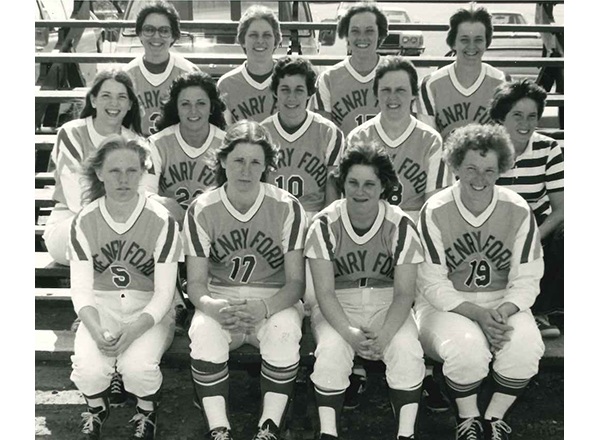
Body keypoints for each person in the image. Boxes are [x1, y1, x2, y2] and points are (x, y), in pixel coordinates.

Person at [415, 124, 545, 440]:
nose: (479, 178)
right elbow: (432, 283)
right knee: (467, 350)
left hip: (502, 302)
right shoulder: (435, 209)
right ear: (456, 165)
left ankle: (493, 417)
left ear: (501, 169)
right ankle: (469, 416)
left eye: (489, 170)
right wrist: (479, 316)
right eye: (471, 168)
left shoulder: (517, 208)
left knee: (526, 348)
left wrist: (501, 312)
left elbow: (527, 278)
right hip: (447, 304)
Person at [183, 121, 308, 440]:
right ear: (222, 161)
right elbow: (196, 284)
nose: (246, 170)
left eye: (255, 162)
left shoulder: (287, 206)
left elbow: (296, 283)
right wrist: (213, 307)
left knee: (283, 332)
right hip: (221, 298)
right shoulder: (202, 208)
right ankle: (218, 427)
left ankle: (269, 425)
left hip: (274, 298)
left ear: (267, 166)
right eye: (238, 160)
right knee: (204, 333)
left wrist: (264, 308)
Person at [304, 142, 426, 440]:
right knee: (332, 349)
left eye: (370, 184)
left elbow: (404, 294)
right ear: (342, 183)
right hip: (338, 303)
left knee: (406, 349)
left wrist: (383, 336)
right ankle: (328, 433)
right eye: (353, 183)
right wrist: (349, 333)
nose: (360, 192)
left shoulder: (401, 225)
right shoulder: (323, 224)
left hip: (388, 302)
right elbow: (324, 293)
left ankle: (406, 434)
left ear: (384, 186)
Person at [68, 135, 182, 440]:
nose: (123, 179)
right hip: (101, 307)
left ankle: (147, 411)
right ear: (100, 173)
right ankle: (97, 408)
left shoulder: (162, 221)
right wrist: (95, 330)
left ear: (143, 173)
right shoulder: (84, 221)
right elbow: (80, 290)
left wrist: (131, 332)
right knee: (88, 369)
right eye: (114, 171)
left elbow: (163, 295)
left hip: (148, 311)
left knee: (138, 368)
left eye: (132, 171)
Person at [146, 70, 227, 335]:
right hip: (174, 224)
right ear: (175, 108)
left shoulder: (226, 143)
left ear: (212, 107)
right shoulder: (157, 143)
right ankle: (176, 302)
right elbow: (145, 193)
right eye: (185, 104)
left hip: (215, 226)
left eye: (201, 103)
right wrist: (173, 208)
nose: (194, 110)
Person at [44, 68, 144, 267]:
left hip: (125, 224)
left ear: (130, 104)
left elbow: (142, 192)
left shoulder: (137, 143)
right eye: (106, 95)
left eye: (121, 97)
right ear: (93, 100)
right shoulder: (72, 133)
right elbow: (76, 194)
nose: (114, 103)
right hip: (71, 220)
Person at [490, 78, 564, 338]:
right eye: (517, 115)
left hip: (535, 224)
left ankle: (543, 311)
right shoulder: (485, 147)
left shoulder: (548, 147)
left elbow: (561, 209)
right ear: (501, 117)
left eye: (532, 116)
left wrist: (532, 238)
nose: (525, 124)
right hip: (491, 223)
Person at [347, 55, 452, 221]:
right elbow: (351, 200)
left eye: (400, 90)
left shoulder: (431, 140)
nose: (392, 97)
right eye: (386, 90)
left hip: (414, 227)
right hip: (368, 225)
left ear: (413, 94)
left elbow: (434, 206)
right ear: (375, 93)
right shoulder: (358, 137)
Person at [262, 55, 344, 218]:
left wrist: (322, 227)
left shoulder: (329, 132)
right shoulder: (261, 133)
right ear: (275, 91)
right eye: (285, 89)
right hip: (272, 216)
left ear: (309, 93)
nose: (291, 97)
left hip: (313, 217)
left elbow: (332, 198)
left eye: (299, 90)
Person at [416, 5, 510, 140]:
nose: (471, 46)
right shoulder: (430, 85)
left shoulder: (501, 82)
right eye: (464, 40)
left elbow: (505, 139)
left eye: (478, 40)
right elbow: (427, 143)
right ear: (453, 43)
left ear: (486, 42)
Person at [311, 2, 388, 136]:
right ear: (346, 35)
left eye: (369, 31)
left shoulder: (396, 75)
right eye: (355, 31)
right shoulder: (329, 79)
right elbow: (324, 137)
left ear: (380, 33)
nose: (362, 37)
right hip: (346, 155)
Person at [124, 0, 198, 137]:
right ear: (139, 33)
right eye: (149, 30)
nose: (156, 36)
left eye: (164, 31)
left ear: (174, 35)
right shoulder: (128, 75)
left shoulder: (188, 72)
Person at [217, 5, 281, 124]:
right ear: (243, 40)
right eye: (253, 35)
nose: (260, 41)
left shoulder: (288, 79)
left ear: (276, 40)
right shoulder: (227, 84)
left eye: (267, 35)